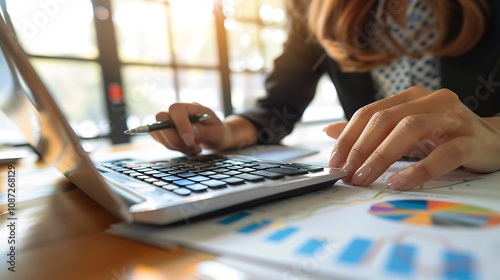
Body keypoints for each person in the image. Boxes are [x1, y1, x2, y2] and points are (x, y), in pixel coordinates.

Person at [150, 0, 500, 191]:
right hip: (375, 188)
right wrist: (227, 132)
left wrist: (494, 135)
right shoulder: (309, 6)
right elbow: (277, 106)